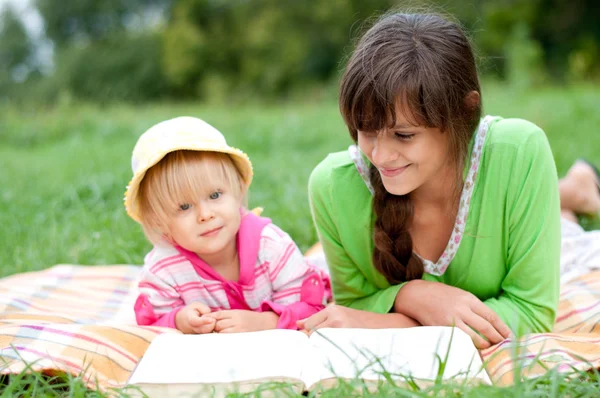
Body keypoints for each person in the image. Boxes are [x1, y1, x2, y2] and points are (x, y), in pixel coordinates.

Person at [300, 12, 565, 349]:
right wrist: (416, 295)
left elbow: (532, 312)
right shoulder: (332, 186)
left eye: (404, 135)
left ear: (465, 113)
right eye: (366, 131)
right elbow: (353, 308)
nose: (380, 156)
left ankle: (577, 189)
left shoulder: (518, 151)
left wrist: (399, 319)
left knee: (566, 226)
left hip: (520, 188)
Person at [125, 116, 330, 334]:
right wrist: (178, 321)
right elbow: (149, 329)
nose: (205, 215)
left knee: (323, 263)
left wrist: (266, 321)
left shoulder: (271, 246)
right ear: (158, 220)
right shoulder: (164, 269)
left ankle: (320, 253)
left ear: (239, 190)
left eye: (215, 195)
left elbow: (312, 309)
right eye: (184, 207)